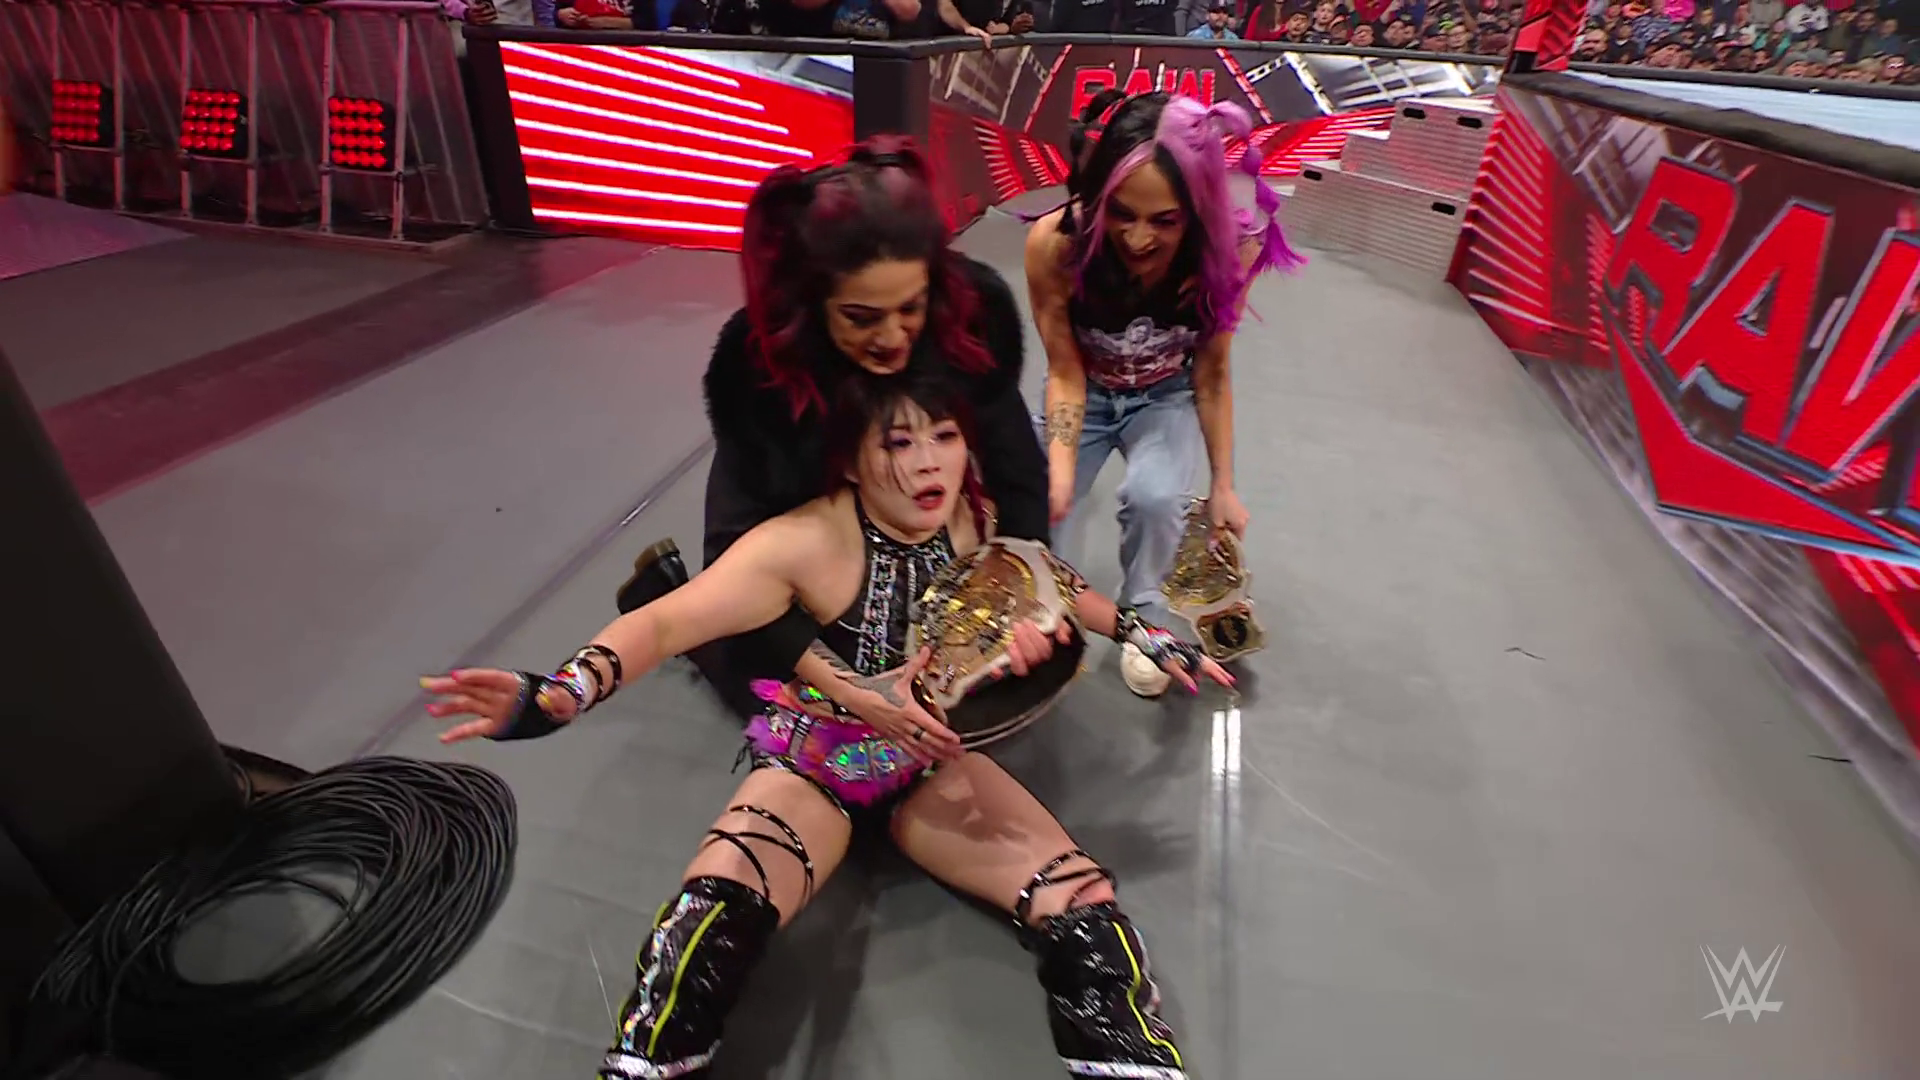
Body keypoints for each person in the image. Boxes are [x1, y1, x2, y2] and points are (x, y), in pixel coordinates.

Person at [422, 370, 1231, 1080]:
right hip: (818, 761)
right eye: (898, 442)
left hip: (932, 764)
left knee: (1085, 912)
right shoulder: (801, 542)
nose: (928, 463)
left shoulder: (971, 516)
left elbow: (1048, 576)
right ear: (848, 457)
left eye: (945, 436)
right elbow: (666, 624)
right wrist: (556, 696)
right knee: (705, 927)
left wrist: (1139, 631)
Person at [614, 139, 1052, 741]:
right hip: (809, 543)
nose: (893, 338)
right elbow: (740, 556)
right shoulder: (762, 377)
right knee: (797, 717)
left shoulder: (971, 319)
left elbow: (1018, 476)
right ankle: (666, 597)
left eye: (911, 308)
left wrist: (1019, 598)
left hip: (902, 533)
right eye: (862, 318)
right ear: (811, 304)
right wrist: (845, 690)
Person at [1025, 90, 1300, 698]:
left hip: (1166, 394)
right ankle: (1051, 604)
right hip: (1085, 389)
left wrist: (1224, 484)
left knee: (1155, 499)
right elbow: (1064, 370)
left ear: (1196, 210)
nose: (1138, 238)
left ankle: (1142, 613)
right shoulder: (1056, 243)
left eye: (1165, 221)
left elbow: (1212, 371)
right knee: (1041, 507)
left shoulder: (1230, 251)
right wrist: (1061, 472)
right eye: (1121, 213)